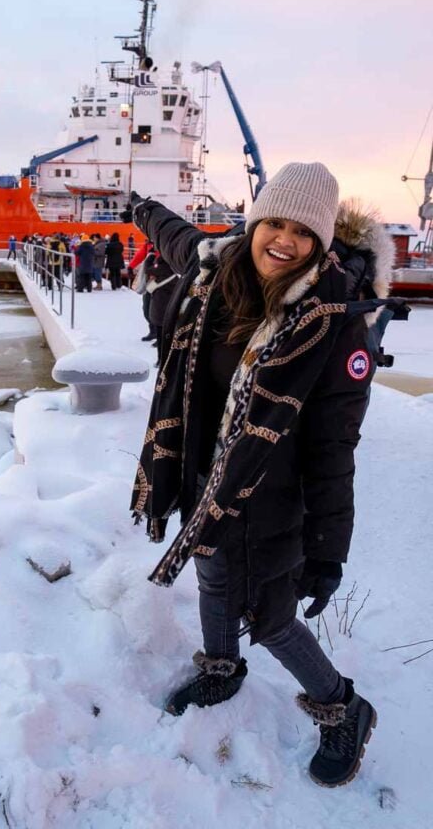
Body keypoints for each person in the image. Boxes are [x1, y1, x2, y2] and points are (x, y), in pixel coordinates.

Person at [128, 162, 392, 788]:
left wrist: (327, 550)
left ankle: (344, 708)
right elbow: (175, 236)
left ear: (320, 243)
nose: (285, 241)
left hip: (275, 499)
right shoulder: (217, 269)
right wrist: (141, 208)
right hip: (204, 477)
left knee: (271, 617)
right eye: (275, 223)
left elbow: (334, 448)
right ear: (254, 225)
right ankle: (222, 667)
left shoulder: (334, 321)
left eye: (304, 232)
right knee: (212, 575)